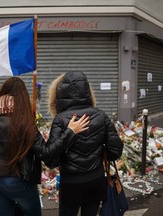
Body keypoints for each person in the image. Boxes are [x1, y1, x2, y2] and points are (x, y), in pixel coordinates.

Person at [0, 76, 90, 216]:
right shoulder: (23, 122)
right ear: (22, 97)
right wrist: (70, 132)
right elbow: (46, 153)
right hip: (17, 181)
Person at [47, 72, 123, 216]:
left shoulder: (60, 119)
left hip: (71, 183)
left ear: (59, 94)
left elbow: (51, 159)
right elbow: (116, 151)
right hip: (96, 179)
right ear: (87, 91)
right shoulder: (101, 115)